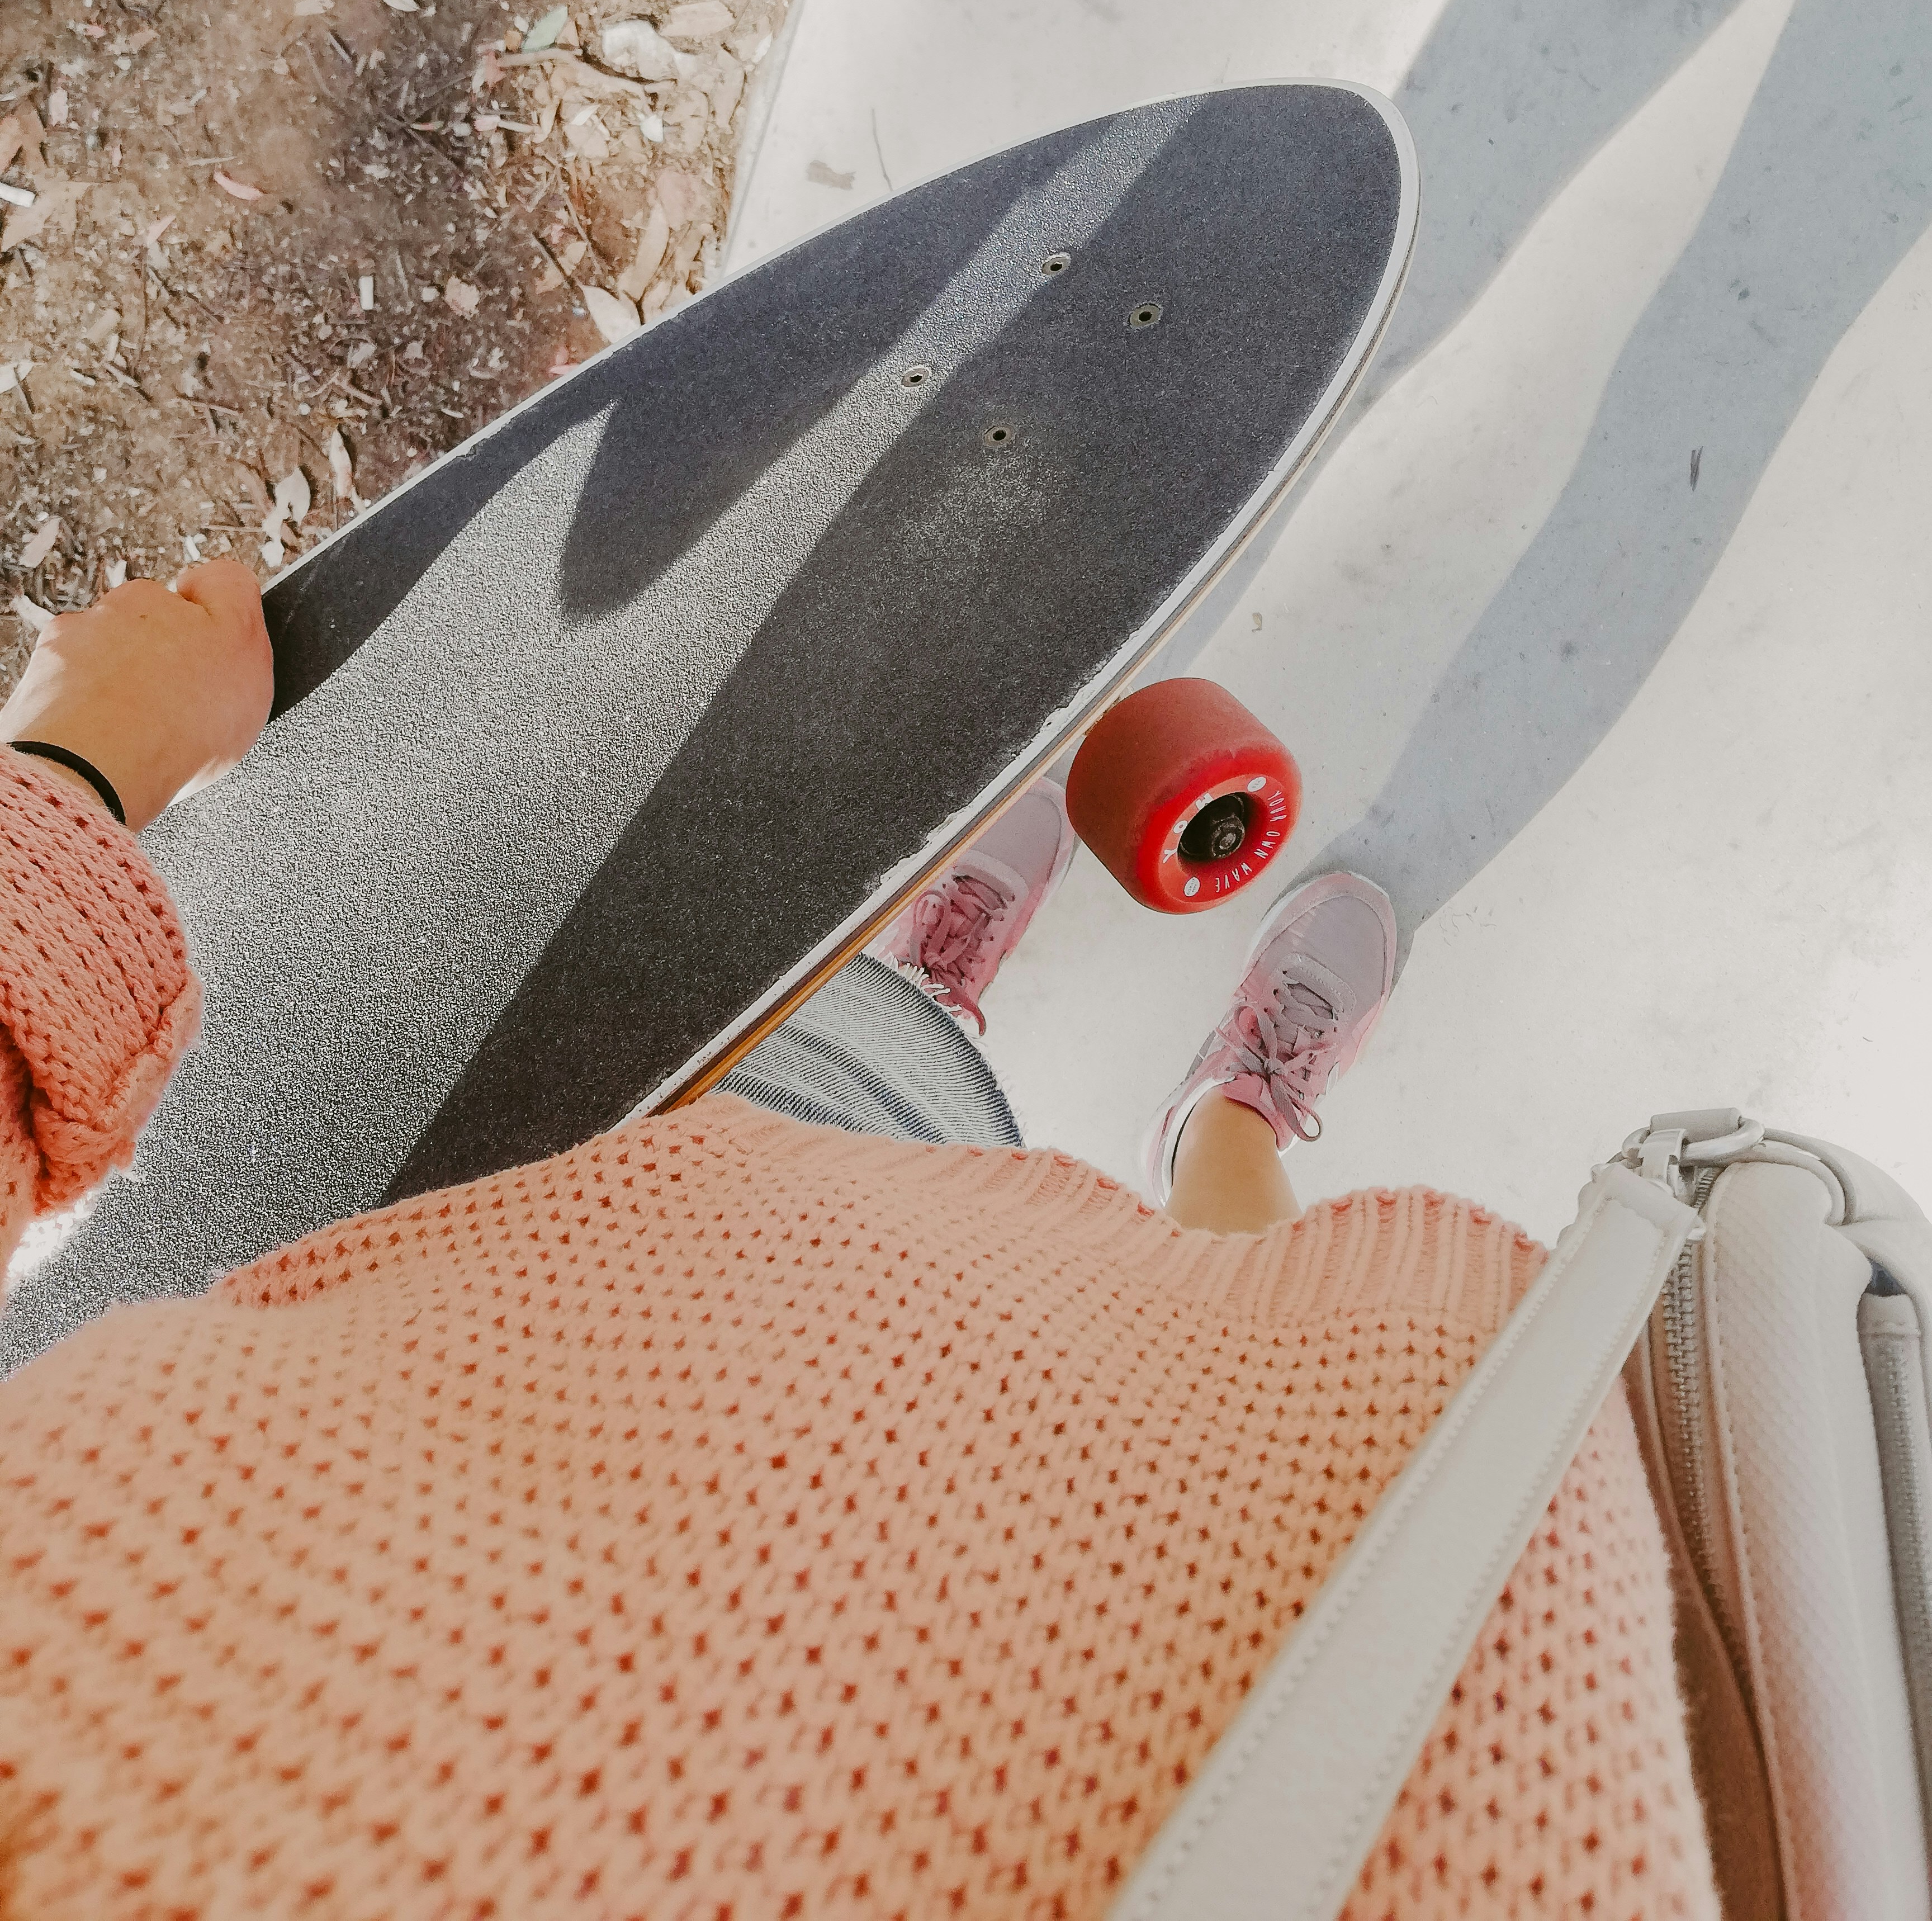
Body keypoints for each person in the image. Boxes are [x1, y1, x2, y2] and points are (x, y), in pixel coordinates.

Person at [0, 567, 1718, 1917]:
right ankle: (1234, 1125)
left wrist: (77, 774)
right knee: (1305, 1372)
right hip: (1291, 1728)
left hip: (576, 1379)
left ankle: (928, 986)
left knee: (821, 1126)